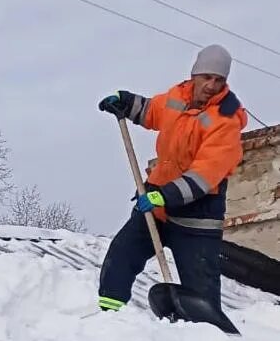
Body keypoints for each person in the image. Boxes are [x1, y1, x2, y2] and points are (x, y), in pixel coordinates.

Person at [97, 44, 246, 314]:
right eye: (207, 77)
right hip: (157, 203)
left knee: (201, 294)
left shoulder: (227, 119)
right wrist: (126, 101)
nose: (211, 85)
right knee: (121, 256)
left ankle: (208, 339)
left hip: (196, 214)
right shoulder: (178, 96)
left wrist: (164, 195)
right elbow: (152, 111)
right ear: (194, 75)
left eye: (219, 79)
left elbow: (206, 173)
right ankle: (109, 318)